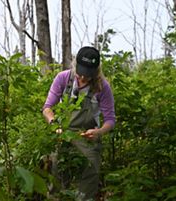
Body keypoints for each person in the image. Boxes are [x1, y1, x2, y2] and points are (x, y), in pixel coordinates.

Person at [42, 46, 115, 200]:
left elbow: (110, 120)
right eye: (80, 73)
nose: (82, 78)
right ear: (75, 66)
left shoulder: (103, 87)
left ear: (96, 71)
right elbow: (47, 108)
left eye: (87, 75)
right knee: (57, 174)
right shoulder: (63, 78)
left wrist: (99, 132)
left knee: (91, 172)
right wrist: (55, 126)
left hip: (88, 136)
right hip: (63, 132)